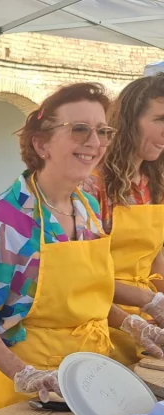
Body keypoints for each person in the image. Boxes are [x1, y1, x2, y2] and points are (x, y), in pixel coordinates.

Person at [0, 83, 164, 413]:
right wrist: (23, 373)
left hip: (94, 375)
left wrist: (133, 324)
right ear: (41, 143)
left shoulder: (86, 208)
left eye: (102, 131)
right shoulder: (8, 221)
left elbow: (87, 295)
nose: (94, 143)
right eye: (79, 130)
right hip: (36, 396)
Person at [84, 73, 164, 366]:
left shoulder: (154, 182)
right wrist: (149, 304)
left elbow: (155, 255)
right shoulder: (93, 185)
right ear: (129, 122)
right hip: (104, 317)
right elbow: (83, 276)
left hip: (147, 322)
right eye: (159, 119)